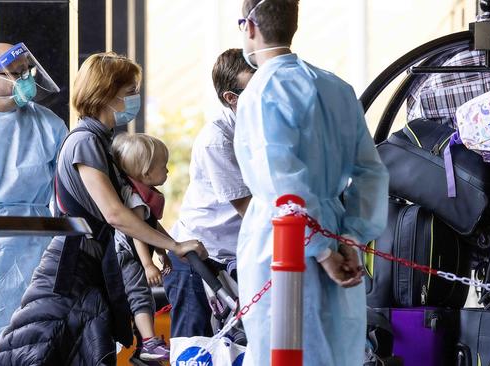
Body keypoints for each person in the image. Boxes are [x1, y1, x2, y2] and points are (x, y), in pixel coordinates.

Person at [0, 52, 207, 366]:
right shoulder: (85, 142)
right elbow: (115, 214)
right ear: (107, 95)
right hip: (70, 266)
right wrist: (172, 244)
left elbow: (134, 209)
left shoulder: (103, 142)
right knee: (34, 351)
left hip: (89, 265)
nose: (134, 97)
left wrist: (162, 246)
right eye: (129, 91)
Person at [234, 1, 389, 365]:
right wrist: (351, 238)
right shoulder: (337, 88)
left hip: (282, 244)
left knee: (284, 349)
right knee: (335, 352)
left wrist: (320, 251)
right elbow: (371, 171)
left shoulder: (261, 91)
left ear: (250, 27)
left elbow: (279, 182)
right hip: (336, 233)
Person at [164, 48, 254, 338]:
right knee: (195, 347)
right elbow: (250, 210)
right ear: (232, 98)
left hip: (233, 256)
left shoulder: (263, 130)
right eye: (257, 89)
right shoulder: (217, 140)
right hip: (198, 255)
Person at [0, 42, 68, 341]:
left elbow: (66, 194)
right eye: (15, 73)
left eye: (26, 71)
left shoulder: (49, 124)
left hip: (34, 243)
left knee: (29, 332)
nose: (24, 79)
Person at [110, 133, 174, 361]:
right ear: (145, 173)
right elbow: (138, 232)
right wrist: (148, 264)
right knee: (140, 296)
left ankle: (143, 347)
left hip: (137, 254)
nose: (167, 171)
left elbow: (152, 226)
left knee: (143, 296)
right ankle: (149, 342)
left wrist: (164, 252)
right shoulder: (135, 198)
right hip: (128, 255)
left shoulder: (144, 196)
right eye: (163, 166)